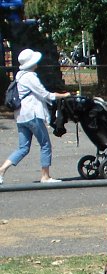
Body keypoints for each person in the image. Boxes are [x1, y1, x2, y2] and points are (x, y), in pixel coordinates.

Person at [0, 49, 72, 184]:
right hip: (32, 115)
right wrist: (64, 95)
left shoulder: (19, 76)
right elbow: (45, 94)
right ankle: (45, 176)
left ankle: (2, 169)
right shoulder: (30, 77)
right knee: (45, 144)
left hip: (20, 116)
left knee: (23, 148)